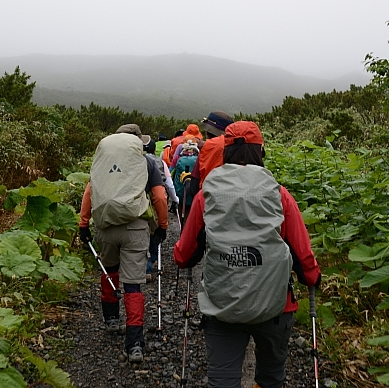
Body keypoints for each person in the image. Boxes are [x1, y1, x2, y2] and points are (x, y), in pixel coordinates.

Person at [173, 121, 321, 388]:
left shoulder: (207, 195)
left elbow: (184, 255)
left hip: (223, 305)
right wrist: (312, 277)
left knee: (222, 381)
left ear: (225, 151)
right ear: (260, 151)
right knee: (271, 378)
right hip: (275, 305)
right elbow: (302, 252)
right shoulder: (279, 195)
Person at [79, 124, 169, 363]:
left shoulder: (102, 162)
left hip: (106, 226)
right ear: (138, 142)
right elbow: (159, 197)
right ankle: (135, 344)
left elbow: (90, 192)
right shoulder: (147, 162)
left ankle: (110, 321)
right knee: (132, 284)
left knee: (109, 270)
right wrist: (162, 226)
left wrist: (83, 223)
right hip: (135, 227)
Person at [143, 136, 177, 281]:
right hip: (155, 203)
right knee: (154, 233)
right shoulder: (160, 162)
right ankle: (150, 265)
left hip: (138, 204)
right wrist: (175, 200)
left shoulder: (134, 162)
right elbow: (168, 184)